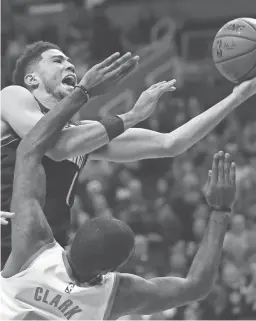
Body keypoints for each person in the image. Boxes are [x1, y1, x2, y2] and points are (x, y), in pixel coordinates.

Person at [1, 40, 256, 266]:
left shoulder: (83, 134)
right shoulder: (14, 96)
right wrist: (132, 115)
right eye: (57, 60)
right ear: (32, 78)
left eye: (69, 60)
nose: (69, 65)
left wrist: (236, 97)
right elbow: (53, 146)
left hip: (46, 256)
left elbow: (170, 144)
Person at [0, 82, 237, 319]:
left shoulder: (33, 249)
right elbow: (196, 286)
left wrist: (82, 92)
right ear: (109, 272)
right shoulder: (116, 296)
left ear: (70, 240)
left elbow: (28, 149)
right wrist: (220, 211)